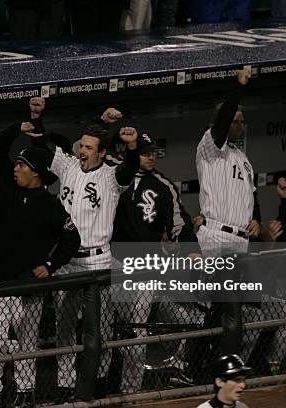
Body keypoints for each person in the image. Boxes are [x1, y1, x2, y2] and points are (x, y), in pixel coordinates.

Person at [0, 98, 81, 408]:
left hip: (29, 283)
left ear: (36, 173)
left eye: (22, 165)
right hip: (0, 277)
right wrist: (16, 127)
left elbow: (72, 239)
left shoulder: (49, 205)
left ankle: (24, 391)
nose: (16, 168)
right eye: (17, 163)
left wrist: (50, 263)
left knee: (27, 341)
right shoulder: (7, 185)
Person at [30, 101, 139, 401]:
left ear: (102, 153)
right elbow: (41, 143)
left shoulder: (111, 176)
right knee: (64, 330)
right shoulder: (67, 166)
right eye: (82, 145)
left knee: (99, 329)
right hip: (67, 262)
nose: (82, 150)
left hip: (98, 260)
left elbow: (130, 168)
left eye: (90, 147)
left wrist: (132, 147)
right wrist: (36, 117)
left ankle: (99, 385)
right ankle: (65, 389)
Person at [112, 132, 199, 392]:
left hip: (147, 266)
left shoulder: (162, 185)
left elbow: (179, 223)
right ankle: (104, 382)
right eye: (145, 151)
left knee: (139, 325)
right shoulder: (114, 177)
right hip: (114, 263)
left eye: (153, 152)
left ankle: (131, 389)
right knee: (113, 328)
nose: (151, 156)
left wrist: (192, 250)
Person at [196, 68, 260, 358]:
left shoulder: (243, 159)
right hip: (215, 237)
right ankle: (199, 365)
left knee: (232, 309)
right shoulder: (209, 146)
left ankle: (222, 364)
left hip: (238, 241)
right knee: (213, 307)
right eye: (234, 121)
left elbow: (250, 198)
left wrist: (255, 220)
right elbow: (222, 123)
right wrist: (238, 88)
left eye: (242, 122)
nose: (238, 125)